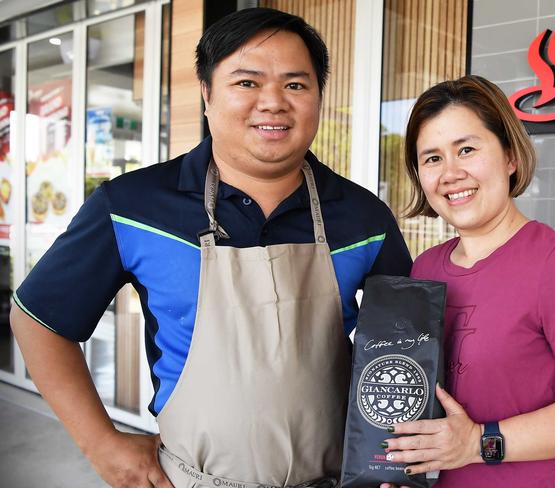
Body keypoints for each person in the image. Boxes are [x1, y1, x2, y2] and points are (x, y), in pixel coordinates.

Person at [10, 8, 412, 488]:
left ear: (318, 97)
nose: (273, 103)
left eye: (296, 85)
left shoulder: (363, 216)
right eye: (247, 83)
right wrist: (103, 444)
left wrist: (396, 458)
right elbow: (38, 320)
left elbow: (408, 346)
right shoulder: (132, 205)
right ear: (207, 93)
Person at [378, 75, 555, 487]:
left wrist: (479, 443)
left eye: (466, 149)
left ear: (510, 157)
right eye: (432, 158)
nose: (451, 173)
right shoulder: (424, 268)